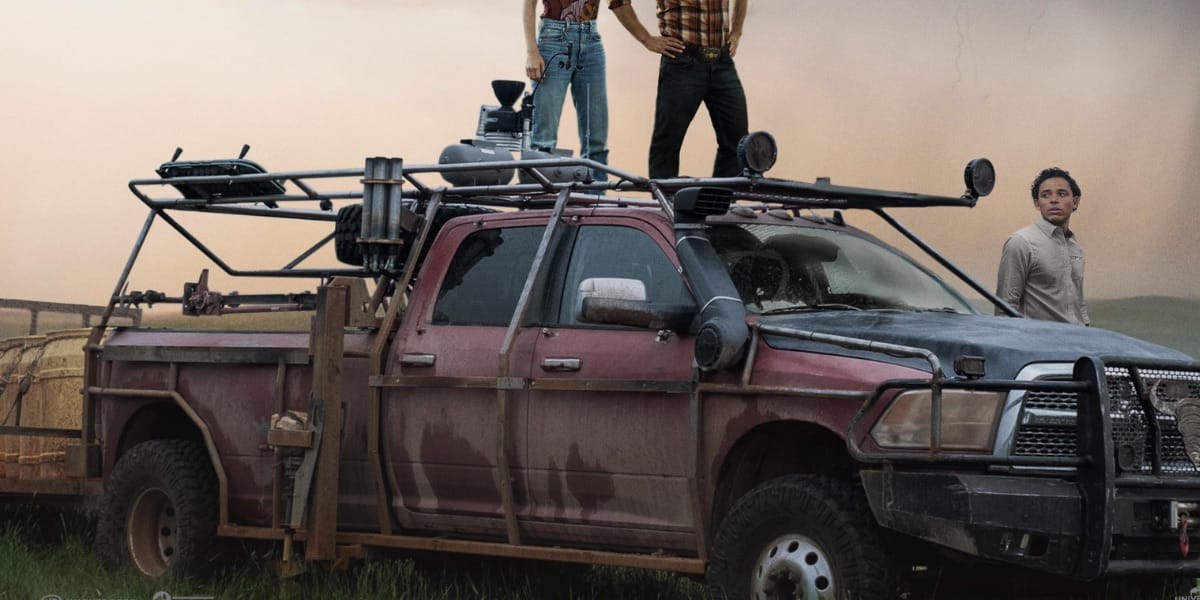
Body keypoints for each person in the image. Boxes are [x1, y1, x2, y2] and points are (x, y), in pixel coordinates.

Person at [611, 0, 749, 179]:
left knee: (738, 143)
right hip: (683, 61)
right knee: (668, 144)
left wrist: (737, 31)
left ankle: (717, 205)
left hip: (722, 60)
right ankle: (665, 204)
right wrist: (646, 39)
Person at [523, 0, 611, 182]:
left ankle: (597, 201)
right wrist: (532, 52)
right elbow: (529, 3)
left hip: (591, 39)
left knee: (596, 139)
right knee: (543, 138)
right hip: (553, 38)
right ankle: (541, 201)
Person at [996, 167, 1090, 325]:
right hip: (1040, 344)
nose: (1053, 200)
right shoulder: (1021, 242)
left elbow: (1078, 302)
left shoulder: (1075, 247)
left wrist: (1088, 332)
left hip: (1078, 342)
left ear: (1075, 201)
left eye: (1061, 194)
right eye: (1045, 195)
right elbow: (1005, 307)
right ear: (1037, 203)